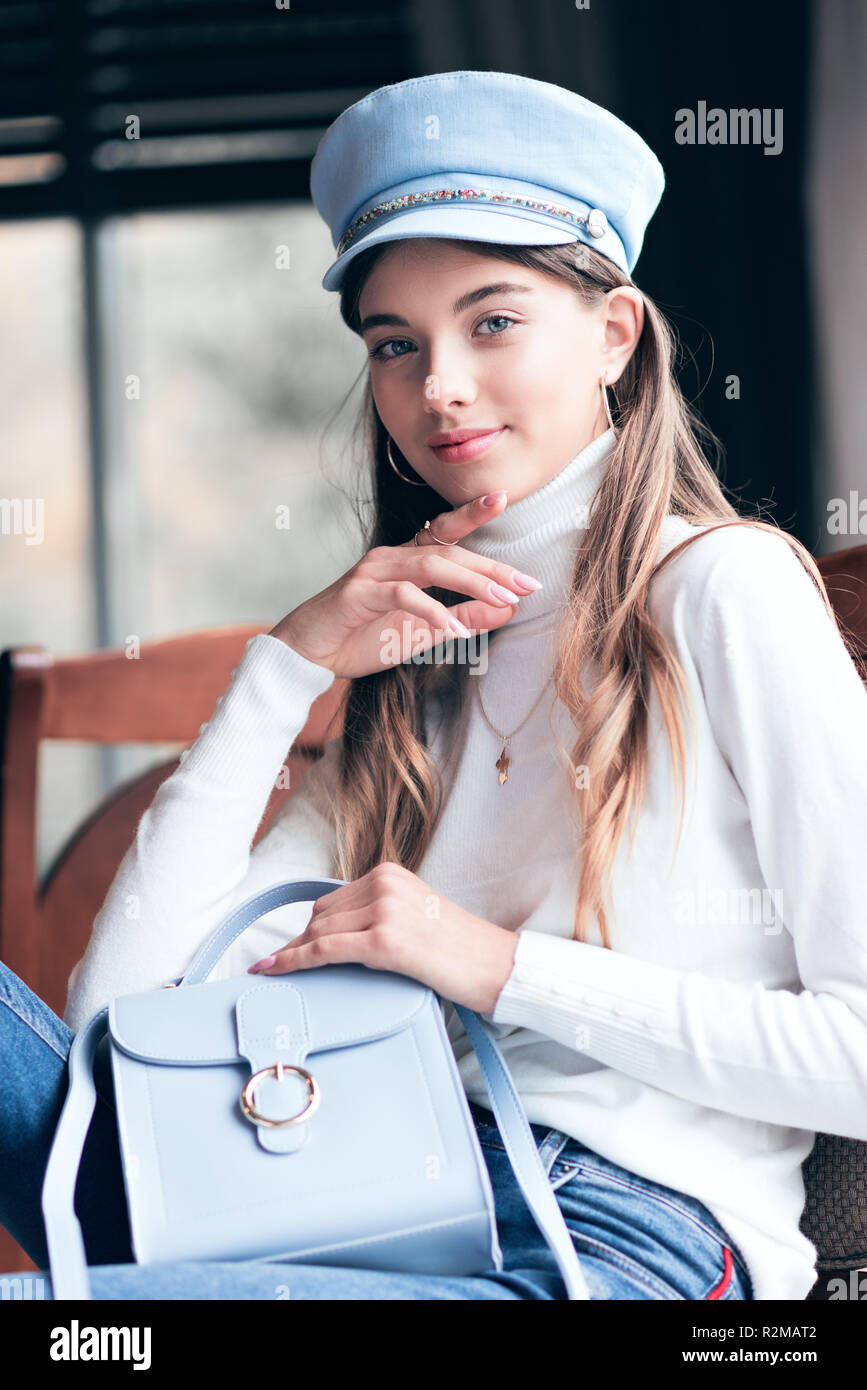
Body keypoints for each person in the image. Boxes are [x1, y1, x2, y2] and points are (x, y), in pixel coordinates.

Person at [3, 70, 867, 1302]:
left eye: (493, 320)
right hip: (333, 1190)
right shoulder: (417, 664)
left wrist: (496, 963)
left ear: (615, 333)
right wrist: (281, 670)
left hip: (618, 1237)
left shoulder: (724, 591)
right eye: (395, 343)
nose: (438, 385)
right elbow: (120, 1024)